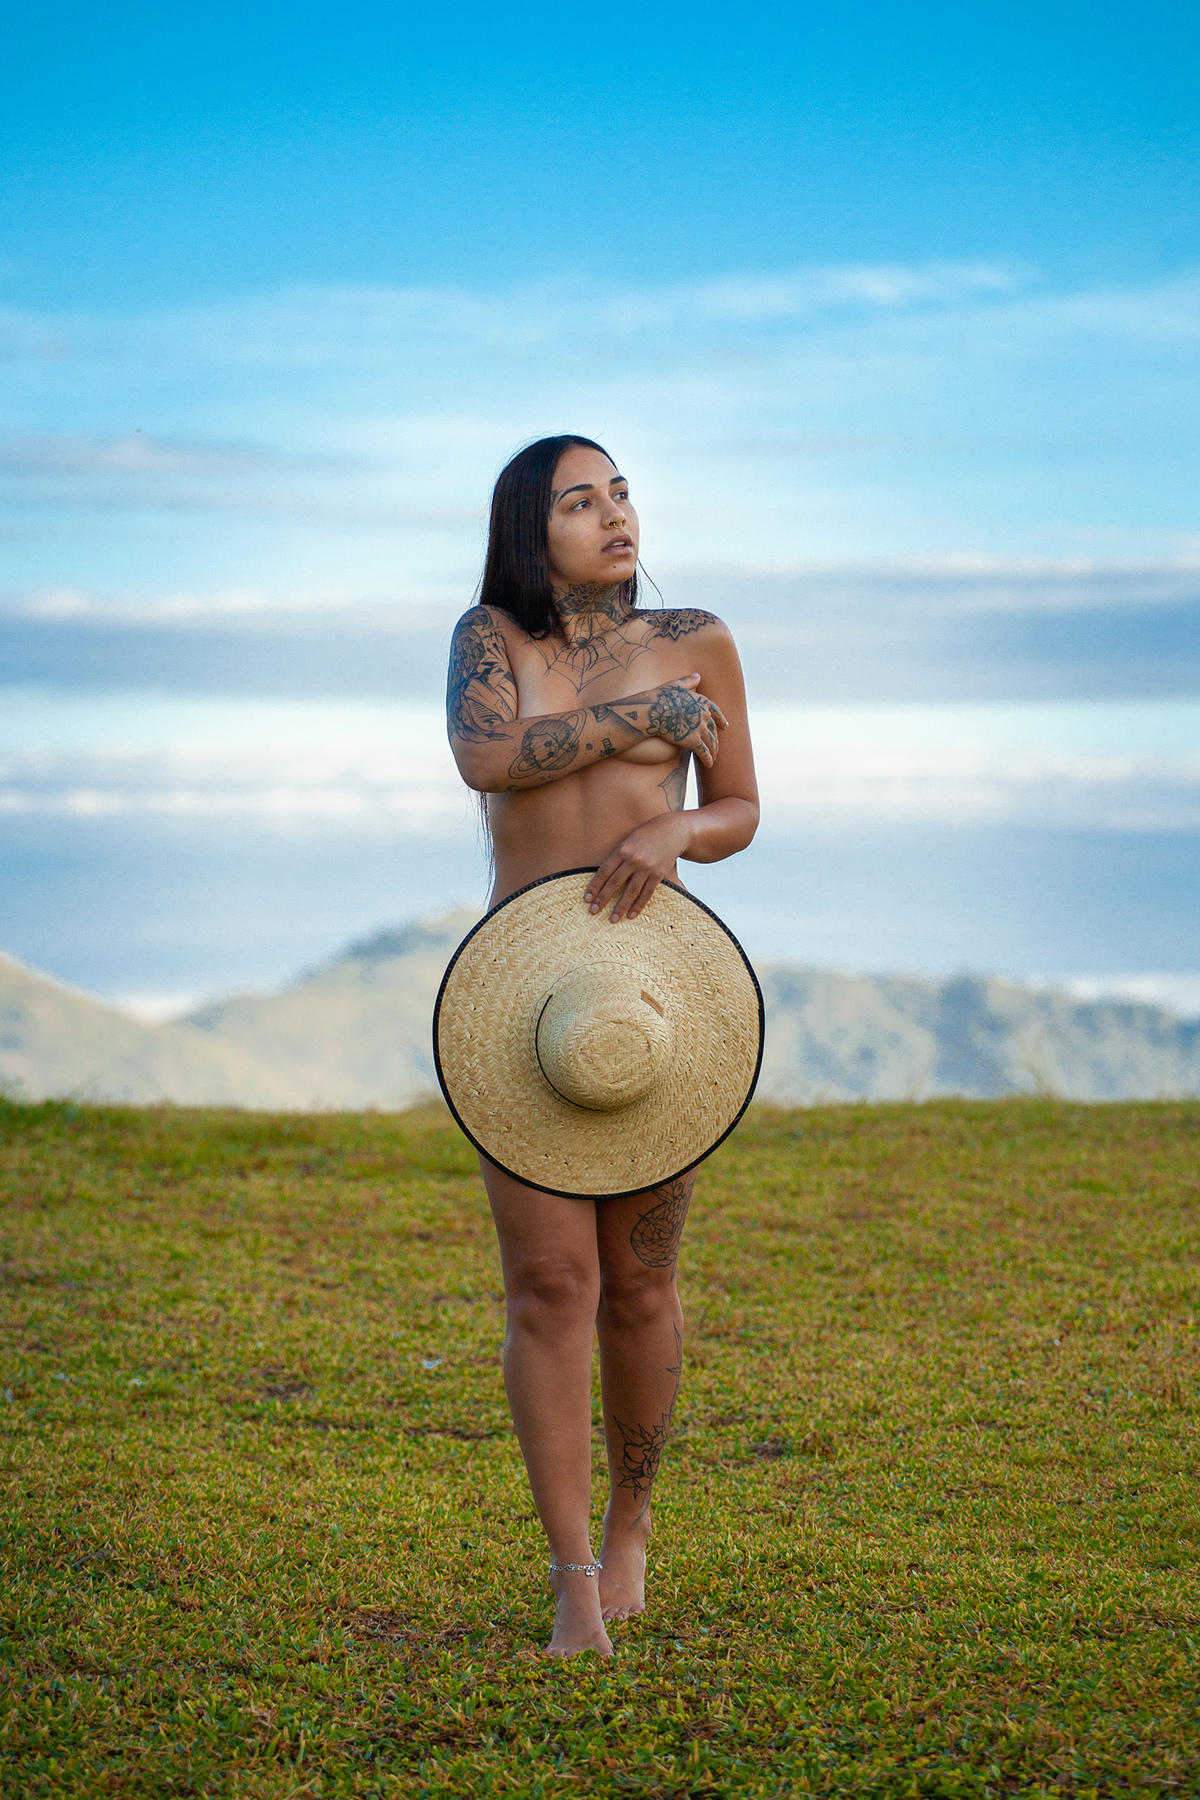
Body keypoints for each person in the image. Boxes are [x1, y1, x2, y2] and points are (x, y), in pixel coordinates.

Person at [445, 434, 759, 1657]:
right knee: (549, 1287)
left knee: (637, 1282)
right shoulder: (492, 639)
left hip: (650, 1002)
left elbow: (737, 804)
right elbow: (483, 754)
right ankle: (573, 1575)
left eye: (621, 492)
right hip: (518, 1001)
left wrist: (678, 837)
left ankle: (633, 1519)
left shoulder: (700, 637)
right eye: (581, 502)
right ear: (534, 531)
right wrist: (648, 720)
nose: (614, 514)